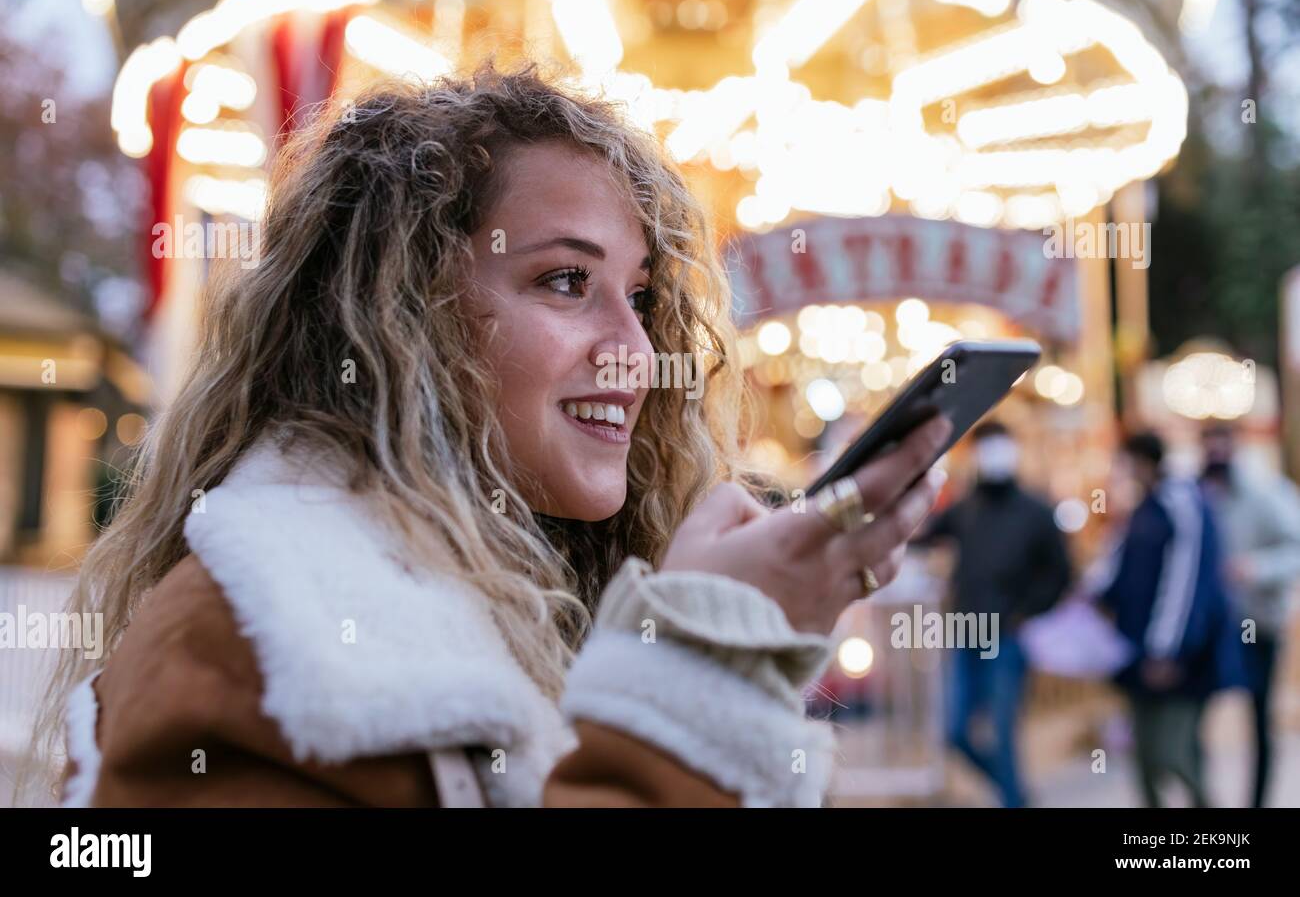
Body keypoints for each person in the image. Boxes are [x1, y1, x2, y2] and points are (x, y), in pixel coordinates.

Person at [26, 61, 951, 808]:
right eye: (563, 282)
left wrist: (748, 656)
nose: (637, 352)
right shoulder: (255, 638)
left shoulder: (539, 596)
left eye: (639, 297)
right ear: (402, 314)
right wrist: (707, 676)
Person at [917, 421, 1071, 808]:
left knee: (1003, 730)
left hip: (1006, 638)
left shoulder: (1036, 511)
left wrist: (1028, 611)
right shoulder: (965, 508)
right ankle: (1014, 793)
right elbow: (923, 536)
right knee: (954, 729)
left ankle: (1013, 799)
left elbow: (1060, 572)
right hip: (966, 632)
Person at [1094, 431, 1243, 808]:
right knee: (1144, 757)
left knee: (1173, 752)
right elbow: (1120, 567)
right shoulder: (1146, 506)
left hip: (1182, 658)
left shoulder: (1182, 504)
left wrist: (1166, 649)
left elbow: (1184, 583)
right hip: (1139, 652)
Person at [1200, 422, 1300, 807]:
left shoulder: (1266, 492)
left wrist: (1254, 569)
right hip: (1213, 626)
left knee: (1259, 720)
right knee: (1197, 715)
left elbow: (1295, 549)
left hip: (1256, 623)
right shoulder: (1200, 494)